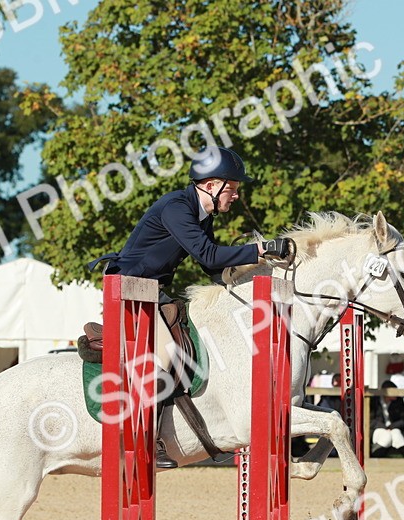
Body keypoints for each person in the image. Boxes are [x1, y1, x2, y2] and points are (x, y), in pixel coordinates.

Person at [95, 146, 295, 469]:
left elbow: (213, 270)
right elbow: (209, 256)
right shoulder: (177, 208)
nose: (235, 196)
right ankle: (147, 440)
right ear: (212, 185)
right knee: (166, 354)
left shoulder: (203, 215)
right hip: (128, 291)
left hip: (152, 293)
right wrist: (260, 249)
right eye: (232, 189)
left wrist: (259, 273)